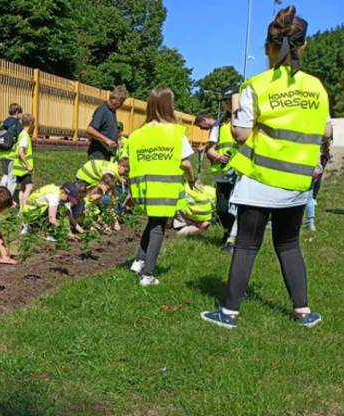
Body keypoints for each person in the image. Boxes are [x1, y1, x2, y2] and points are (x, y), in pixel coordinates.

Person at [201, 6, 333, 329]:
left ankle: (229, 313)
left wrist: (235, 111)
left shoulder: (256, 87)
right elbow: (327, 131)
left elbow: (240, 134)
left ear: (266, 47)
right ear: (303, 46)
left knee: (247, 244)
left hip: (260, 179)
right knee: (288, 244)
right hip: (297, 184)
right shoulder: (317, 88)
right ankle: (303, 312)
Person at [128, 86, 196, 286]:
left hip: (144, 188)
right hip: (165, 187)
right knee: (158, 227)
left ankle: (139, 261)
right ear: (169, 105)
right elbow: (185, 162)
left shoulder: (137, 135)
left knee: (151, 222)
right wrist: (193, 179)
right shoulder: (176, 132)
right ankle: (148, 276)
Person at [205, 86, 240, 253]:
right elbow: (209, 149)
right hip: (222, 173)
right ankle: (228, 232)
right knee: (221, 209)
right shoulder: (219, 124)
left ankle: (232, 239)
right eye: (225, 101)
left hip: (241, 173)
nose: (227, 103)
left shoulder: (246, 122)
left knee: (237, 208)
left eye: (230, 100)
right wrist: (218, 157)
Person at [86, 86, 129, 161]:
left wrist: (116, 141)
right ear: (113, 99)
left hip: (106, 154)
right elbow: (90, 130)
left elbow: (106, 130)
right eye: (121, 102)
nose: (121, 105)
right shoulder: (103, 111)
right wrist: (107, 140)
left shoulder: (112, 112)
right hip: (98, 154)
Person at [0, 103, 23, 195]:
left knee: (5, 174)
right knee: (12, 178)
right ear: (17, 112)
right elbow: (21, 138)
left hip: (1, 152)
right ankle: (8, 199)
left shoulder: (3, 123)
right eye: (20, 113)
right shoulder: (17, 125)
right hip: (12, 154)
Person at [13, 114, 34, 215]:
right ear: (31, 123)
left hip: (19, 167)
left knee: (22, 188)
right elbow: (21, 151)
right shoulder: (25, 136)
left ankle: (21, 210)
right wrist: (27, 165)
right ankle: (25, 209)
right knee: (29, 187)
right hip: (23, 168)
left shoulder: (21, 134)